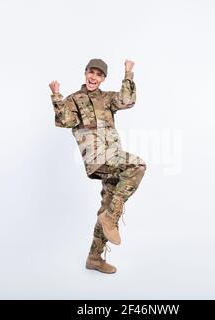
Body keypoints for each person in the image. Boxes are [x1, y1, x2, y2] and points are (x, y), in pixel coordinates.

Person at [49, 58, 146, 274]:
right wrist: (56, 95)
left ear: (103, 79)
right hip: (97, 159)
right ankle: (110, 218)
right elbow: (65, 121)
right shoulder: (74, 99)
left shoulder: (108, 98)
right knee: (137, 166)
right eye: (91, 72)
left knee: (108, 203)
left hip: (114, 157)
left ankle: (94, 257)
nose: (94, 77)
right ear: (85, 73)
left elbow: (127, 101)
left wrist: (128, 73)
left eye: (99, 75)